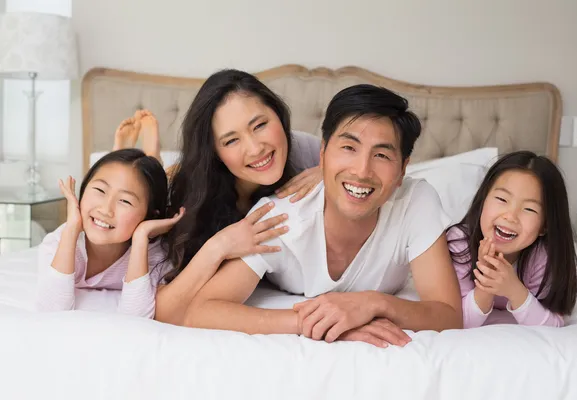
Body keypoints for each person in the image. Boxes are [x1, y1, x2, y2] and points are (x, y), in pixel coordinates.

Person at [181, 84, 463, 348]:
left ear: (403, 170)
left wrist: (374, 304)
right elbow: (201, 311)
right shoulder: (278, 217)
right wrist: (310, 322)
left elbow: (449, 315)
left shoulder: (416, 202)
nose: (362, 171)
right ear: (323, 154)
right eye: (349, 148)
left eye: (381, 155)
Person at [145, 69, 323, 325]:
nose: (255, 148)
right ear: (214, 152)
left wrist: (329, 172)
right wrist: (220, 245)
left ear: (279, 115)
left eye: (260, 125)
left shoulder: (304, 151)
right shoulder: (190, 199)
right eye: (231, 141)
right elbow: (166, 313)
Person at [35, 149, 183, 318]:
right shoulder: (58, 243)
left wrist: (141, 236)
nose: (105, 210)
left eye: (125, 201)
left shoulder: (155, 256)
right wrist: (71, 228)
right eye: (100, 190)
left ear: (150, 215)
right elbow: (51, 312)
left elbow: (136, 319)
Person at [446, 151, 577, 328]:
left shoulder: (542, 257)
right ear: (483, 200)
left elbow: (552, 325)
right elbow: (456, 321)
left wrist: (514, 289)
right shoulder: (459, 244)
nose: (510, 216)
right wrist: (486, 286)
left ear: (544, 226)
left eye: (529, 209)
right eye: (502, 199)